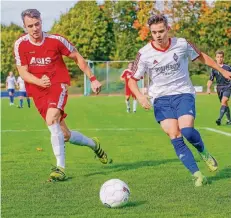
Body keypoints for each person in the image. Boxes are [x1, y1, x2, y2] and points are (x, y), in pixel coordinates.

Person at [128, 14, 231, 187]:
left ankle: (203, 152)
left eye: (161, 31)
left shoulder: (182, 44)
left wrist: (221, 70)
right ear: (150, 33)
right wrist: (139, 96)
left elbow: (201, 56)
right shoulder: (144, 54)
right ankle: (197, 175)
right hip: (161, 99)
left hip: (183, 93)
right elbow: (132, 79)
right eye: (154, 33)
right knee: (174, 135)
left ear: (168, 29)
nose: (158, 35)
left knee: (188, 131)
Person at [14, 9, 112, 182]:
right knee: (64, 135)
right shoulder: (20, 45)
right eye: (30, 26)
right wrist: (38, 82)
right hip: (38, 91)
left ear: (41, 22)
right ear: (25, 26)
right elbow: (23, 72)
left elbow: (77, 58)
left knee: (51, 119)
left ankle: (60, 168)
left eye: (37, 24)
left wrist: (93, 79)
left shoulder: (56, 40)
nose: (35, 28)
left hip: (57, 85)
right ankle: (94, 144)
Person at [207, 50, 231, 125]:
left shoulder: (228, 67)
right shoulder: (213, 68)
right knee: (225, 104)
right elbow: (211, 79)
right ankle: (229, 120)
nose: (219, 58)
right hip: (219, 88)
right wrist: (208, 88)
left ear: (223, 58)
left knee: (224, 101)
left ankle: (219, 119)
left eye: (221, 57)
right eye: (218, 57)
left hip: (228, 86)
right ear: (215, 58)